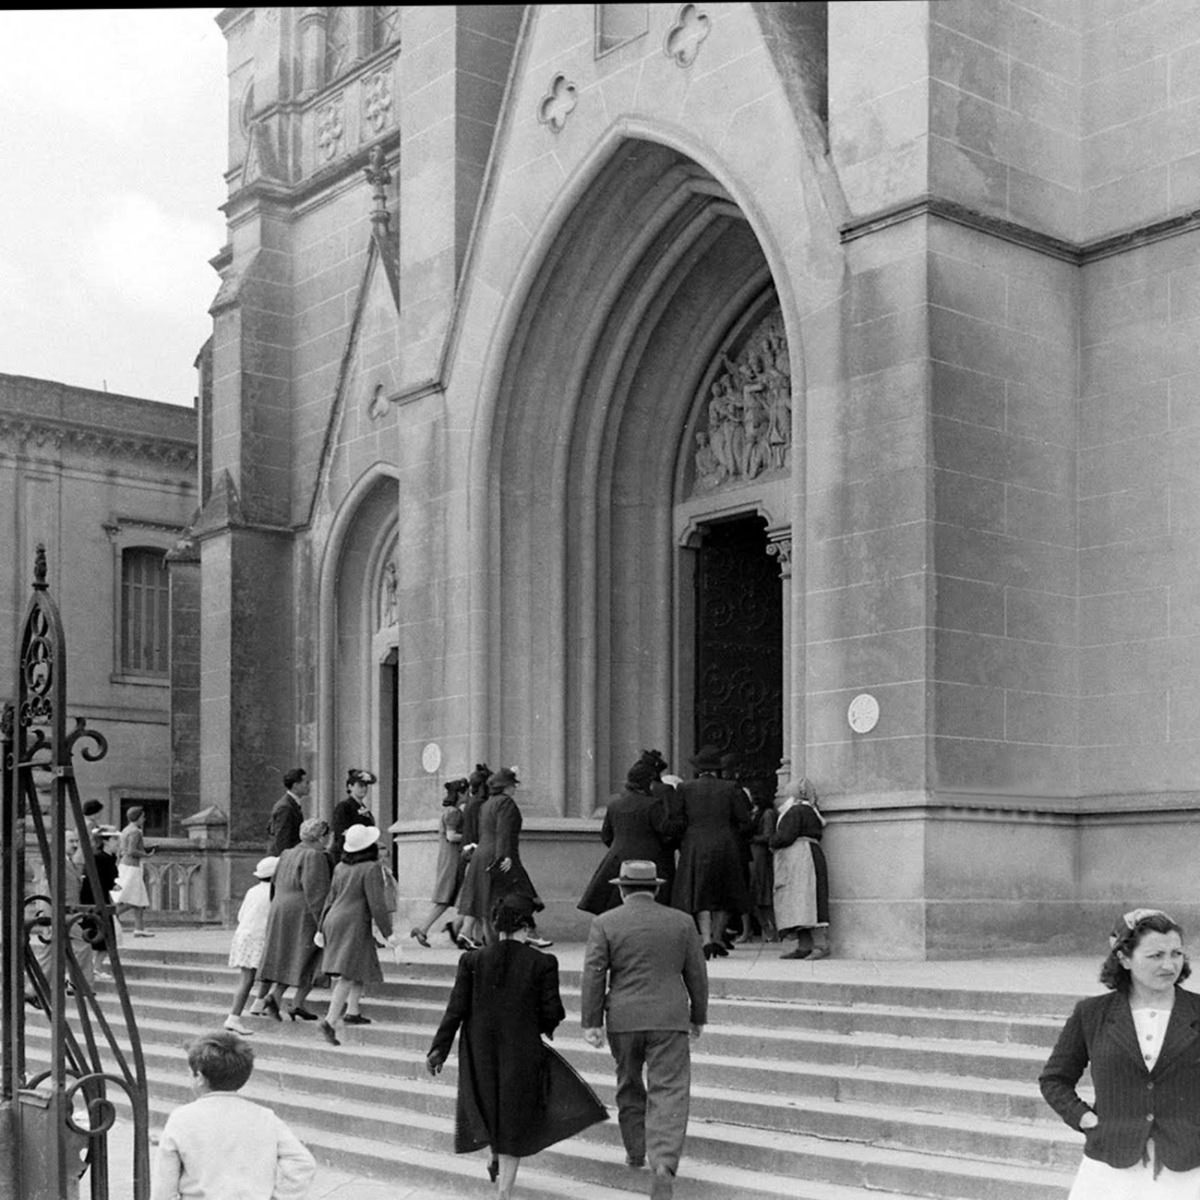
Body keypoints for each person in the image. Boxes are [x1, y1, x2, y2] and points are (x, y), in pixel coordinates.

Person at [427, 893, 607, 1199]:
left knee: (487, 1107)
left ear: (497, 928)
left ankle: (492, 1155)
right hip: (521, 1048)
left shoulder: (471, 959)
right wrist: (541, 1026)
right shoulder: (543, 962)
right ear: (525, 928)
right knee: (514, 1116)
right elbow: (553, 1012)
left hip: (478, 1048)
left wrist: (438, 1050)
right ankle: (504, 1193)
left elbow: (455, 1009)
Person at [1040, 908, 1200, 1198]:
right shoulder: (1092, 1014)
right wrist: (1085, 1119)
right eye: (1155, 956)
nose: (1169, 965)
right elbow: (1054, 1080)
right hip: (1111, 1170)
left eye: (1176, 953)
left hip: (1189, 1169)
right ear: (1124, 958)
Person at [582, 860, 708, 1200]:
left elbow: (595, 973)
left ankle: (635, 1149)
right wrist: (698, 1015)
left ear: (622, 889)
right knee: (669, 1090)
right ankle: (664, 1163)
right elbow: (697, 973)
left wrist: (591, 1022)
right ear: (656, 889)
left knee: (629, 1081)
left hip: (623, 1019)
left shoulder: (605, 923)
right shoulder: (682, 922)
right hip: (669, 1018)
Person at [150, 1029, 315, 1200]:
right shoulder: (265, 1117)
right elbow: (303, 1163)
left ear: (199, 1077)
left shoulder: (181, 1119)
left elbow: (163, 1190)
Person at [315, 824, 395, 1045]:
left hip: (334, 918)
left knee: (358, 964)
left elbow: (330, 898)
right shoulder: (371, 868)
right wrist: (389, 933)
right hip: (353, 921)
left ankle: (352, 1010)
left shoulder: (341, 867)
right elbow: (377, 904)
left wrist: (321, 926)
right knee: (348, 972)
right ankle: (330, 1020)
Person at [669, 745, 751, 959]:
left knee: (700, 892)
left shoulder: (684, 789)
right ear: (717, 769)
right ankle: (716, 937)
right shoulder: (731, 788)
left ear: (698, 769)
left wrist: (683, 841)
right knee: (725, 892)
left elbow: (677, 821)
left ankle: (705, 939)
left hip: (695, 844)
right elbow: (745, 821)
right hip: (725, 844)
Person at [254, 818, 333, 1022]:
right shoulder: (315, 856)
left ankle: (276, 997)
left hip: (281, 908)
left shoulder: (287, 853)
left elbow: (274, 883)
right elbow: (317, 892)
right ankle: (297, 1002)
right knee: (311, 957)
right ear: (321, 836)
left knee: (288, 956)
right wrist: (323, 922)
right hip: (302, 911)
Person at [577, 759, 676, 916]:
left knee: (618, 905)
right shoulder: (652, 805)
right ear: (647, 782)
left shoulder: (615, 804)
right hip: (650, 860)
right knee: (651, 904)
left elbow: (606, 836)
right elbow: (665, 831)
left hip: (618, 859)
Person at [476, 766, 552, 949]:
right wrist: (505, 856)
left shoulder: (487, 804)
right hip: (503, 855)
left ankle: (496, 945)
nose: (514, 788)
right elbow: (504, 831)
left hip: (484, 855)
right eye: (512, 785)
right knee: (522, 896)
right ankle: (525, 934)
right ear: (506, 786)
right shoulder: (505, 803)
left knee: (490, 903)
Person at [770, 777, 829, 960]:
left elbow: (785, 836)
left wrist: (772, 841)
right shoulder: (808, 810)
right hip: (801, 857)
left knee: (808, 900)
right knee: (800, 902)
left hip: (803, 858)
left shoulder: (797, 811)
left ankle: (820, 945)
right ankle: (804, 946)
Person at [411, 778, 468, 946]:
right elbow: (451, 836)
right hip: (452, 859)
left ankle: (426, 928)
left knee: (449, 898)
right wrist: (470, 838)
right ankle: (430, 928)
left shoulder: (451, 811)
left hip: (450, 858)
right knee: (450, 896)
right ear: (460, 793)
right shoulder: (454, 812)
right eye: (465, 792)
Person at [224, 856, 278, 1035]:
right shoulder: (274, 892)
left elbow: (241, 914)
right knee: (248, 979)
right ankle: (234, 1017)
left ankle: (258, 1002)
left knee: (257, 974)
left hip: (245, 934)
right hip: (258, 936)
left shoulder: (253, 890)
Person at [454, 763, 494, 950]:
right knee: (480, 895)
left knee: (475, 894)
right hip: (479, 852)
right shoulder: (482, 805)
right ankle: (467, 931)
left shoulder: (469, 804)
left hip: (468, 853)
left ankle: (472, 934)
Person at [81, 825, 122, 981]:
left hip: (102, 899)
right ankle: (95, 968)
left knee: (105, 936)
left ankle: (95, 967)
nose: (117, 842)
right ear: (106, 841)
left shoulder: (108, 857)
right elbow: (96, 881)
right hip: (94, 901)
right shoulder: (99, 857)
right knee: (101, 934)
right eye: (114, 839)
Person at [115, 806, 155, 937]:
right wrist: (146, 854)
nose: (144, 819)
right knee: (132, 898)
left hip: (125, 865)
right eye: (143, 817)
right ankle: (112, 913)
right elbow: (132, 851)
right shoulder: (136, 831)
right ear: (138, 818)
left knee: (139, 898)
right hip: (132, 867)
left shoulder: (125, 830)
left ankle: (139, 928)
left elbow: (123, 849)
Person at [747, 792, 778, 942]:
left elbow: (768, 835)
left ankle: (773, 929)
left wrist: (750, 838)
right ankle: (768, 928)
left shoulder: (767, 814)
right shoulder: (756, 812)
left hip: (760, 856)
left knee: (762, 895)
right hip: (754, 856)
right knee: (755, 896)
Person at [330, 768, 377, 861]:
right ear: (350, 786)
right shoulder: (344, 807)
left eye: (365, 786)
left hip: (364, 853)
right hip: (349, 855)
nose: (364, 789)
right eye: (360, 785)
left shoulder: (363, 808)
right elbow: (341, 833)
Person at [267, 767, 309, 856]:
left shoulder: (290, 804)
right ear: (296, 785)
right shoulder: (285, 807)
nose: (308, 786)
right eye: (306, 783)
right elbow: (282, 840)